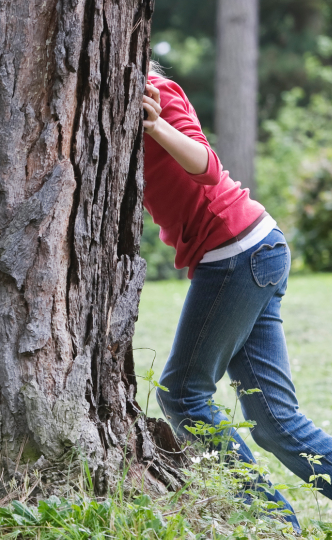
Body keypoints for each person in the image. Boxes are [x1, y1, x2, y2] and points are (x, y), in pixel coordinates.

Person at [142, 63, 332, 531]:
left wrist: (157, 125)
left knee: (184, 394)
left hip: (236, 251)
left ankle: (271, 523)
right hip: (252, 250)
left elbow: (206, 167)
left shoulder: (155, 92)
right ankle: (276, 524)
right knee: (273, 419)